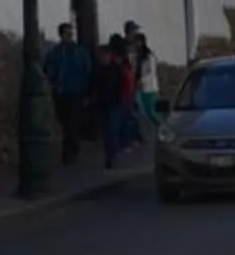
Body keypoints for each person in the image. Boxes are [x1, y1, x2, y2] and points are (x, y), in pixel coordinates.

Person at [44, 23, 90, 163]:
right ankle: (71, 148)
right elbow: (48, 68)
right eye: (67, 33)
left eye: (71, 33)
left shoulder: (80, 52)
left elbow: (87, 72)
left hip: (76, 92)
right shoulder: (56, 53)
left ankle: (70, 151)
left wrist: (86, 91)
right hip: (60, 92)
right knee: (64, 121)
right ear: (61, 35)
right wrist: (53, 81)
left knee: (72, 122)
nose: (69, 36)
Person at [92, 35, 137, 167]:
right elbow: (94, 85)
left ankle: (112, 156)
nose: (102, 58)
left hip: (115, 103)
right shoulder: (98, 70)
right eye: (101, 56)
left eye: (104, 56)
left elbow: (124, 85)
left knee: (112, 130)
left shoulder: (116, 70)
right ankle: (110, 154)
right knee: (106, 132)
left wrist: (124, 99)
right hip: (103, 103)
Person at [127, 25, 161, 137]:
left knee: (150, 111)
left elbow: (150, 71)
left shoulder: (149, 56)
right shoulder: (135, 56)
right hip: (138, 87)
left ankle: (161, 127)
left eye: (138, 42)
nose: (137, 45)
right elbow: (132, 68)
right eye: (135, 42)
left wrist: (141, 80)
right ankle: (147, 132)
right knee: (141, 112)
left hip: (149, 88)